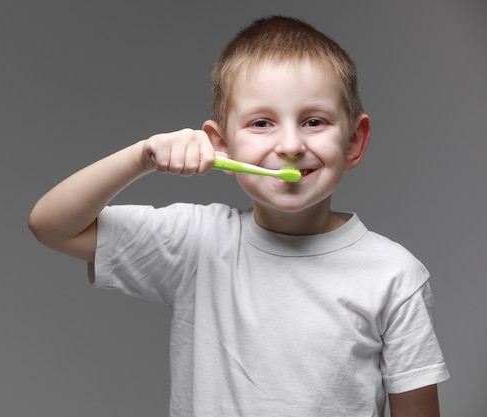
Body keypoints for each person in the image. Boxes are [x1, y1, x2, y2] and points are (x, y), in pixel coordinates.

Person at [28, 15, 449, 416]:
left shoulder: (394, 276)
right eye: (262, 123)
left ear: (354, 142)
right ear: (221, 145)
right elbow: (50, 226)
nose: (289, 144)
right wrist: (143, 158)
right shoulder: (199, 243)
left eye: (314, 121)